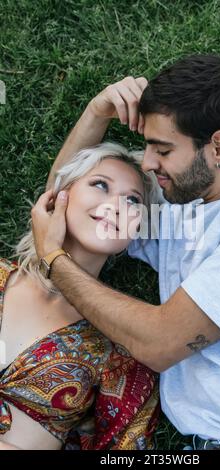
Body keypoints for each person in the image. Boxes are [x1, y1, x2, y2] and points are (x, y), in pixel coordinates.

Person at [32, 54, 220, 450]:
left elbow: (160, 343)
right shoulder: (183, 213)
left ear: (219, 147)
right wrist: (97, 111)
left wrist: (53, 259)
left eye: (163, 149)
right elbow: (64, 203)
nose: (149, 162)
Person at [0, 143, 160, 450]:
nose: (116, 205)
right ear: (59, 197)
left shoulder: (121, 348)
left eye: (133, 201)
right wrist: (98, 110)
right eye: (101, 185)